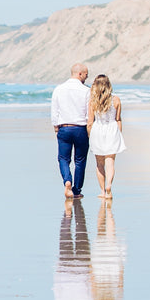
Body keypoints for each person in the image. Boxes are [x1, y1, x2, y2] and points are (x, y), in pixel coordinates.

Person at [51, 62, 90, 199]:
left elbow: (54, 112)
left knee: (63, 158)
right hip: (80, 128)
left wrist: (56, 129)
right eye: (86, 74)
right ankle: (77, 190)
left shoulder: (59, 89)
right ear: (79, 74)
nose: (86, 77)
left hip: (64, 127)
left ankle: (67, 181)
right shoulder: (86, 91)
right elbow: (88, 113)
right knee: (80, 160)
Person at [86, 74, 126, 198]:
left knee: (99, 163)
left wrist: (89, 135)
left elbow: (90, 122)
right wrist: (119, 133)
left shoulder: (93, 101)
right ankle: (109, 185)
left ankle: (103, 191)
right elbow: (118, 119)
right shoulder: (116, 100)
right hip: (112, 129)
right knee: (110, 162)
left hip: (98, 129)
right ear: (108, 85)